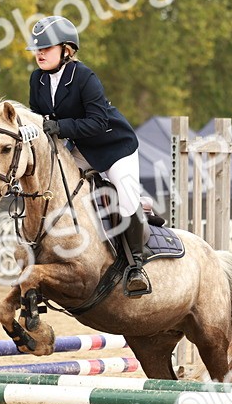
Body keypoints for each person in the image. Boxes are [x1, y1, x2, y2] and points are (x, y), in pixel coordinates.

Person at [25, 15, 151, 296]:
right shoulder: (38, 80)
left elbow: (98, 122)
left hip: (114, 147)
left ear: (66, 49)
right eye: (37, 49)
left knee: (126, 196)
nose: (39, 53)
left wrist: (59, 126)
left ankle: (135, 267)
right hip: (82, 148)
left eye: (46, 48)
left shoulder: (84, 77)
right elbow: (38, 117)